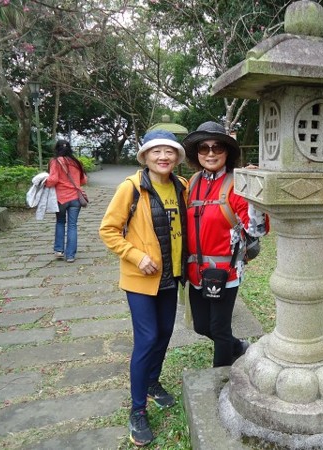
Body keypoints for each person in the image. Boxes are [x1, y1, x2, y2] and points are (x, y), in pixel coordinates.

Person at [98, 129, 188, 447]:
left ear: (177, 157)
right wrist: (136, 256)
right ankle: (137, 410)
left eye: (169, 151)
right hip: (141, 277)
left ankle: (152, 383)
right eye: (156, 151)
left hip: (171, 276)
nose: (163, 157)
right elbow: (108, 229)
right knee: (147, 338)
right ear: (145, 156)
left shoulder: (182, 186)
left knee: (164, 333)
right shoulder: (131, 187)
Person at [182, 121, 269, 368]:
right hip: (195, 270)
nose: (210, 153)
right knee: (201, 326)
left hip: (225, 270)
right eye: (204, 148)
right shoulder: (193, 182)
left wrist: (253, 188)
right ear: (197, 154)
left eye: (217, 147)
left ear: (227, 152)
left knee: (219, 329)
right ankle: (238, 347)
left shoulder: (236, 184)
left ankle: (220, 378)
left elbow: (257, 230)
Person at [45, 140, 87, 263]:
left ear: (57, 149)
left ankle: (59, 250)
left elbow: (53, 180)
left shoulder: (55, 161)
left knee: (60, 222)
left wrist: (44, 182)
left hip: (61, 198)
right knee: (72, 225)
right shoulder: (76, 162)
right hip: (76, 198)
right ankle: (70, 256)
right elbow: (83, 180)